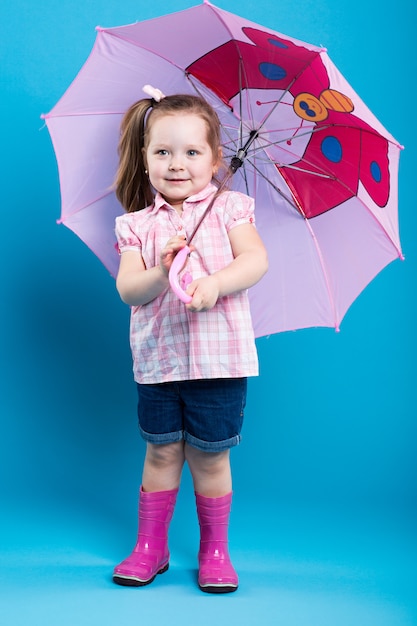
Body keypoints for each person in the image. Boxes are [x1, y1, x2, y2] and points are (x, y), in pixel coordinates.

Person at [112, 85, 268, 593]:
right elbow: (128, 290)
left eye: (192, 152)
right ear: (145, 156)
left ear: (216, 159)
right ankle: (150, 547)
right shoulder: (136, 225)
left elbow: (255, 261)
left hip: (218, 363)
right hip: (159, 362)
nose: (177, 164)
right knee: (160, 453)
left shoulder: (230, 210)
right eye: (163, 152)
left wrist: (216, 283)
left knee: (210, 456)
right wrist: (161, 272)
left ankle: (215, 550)